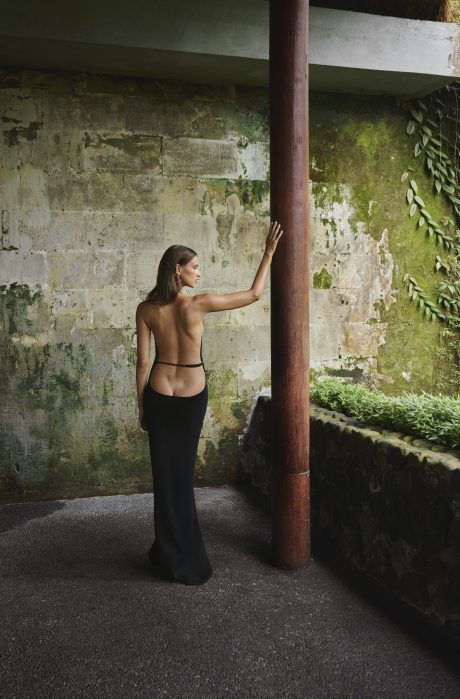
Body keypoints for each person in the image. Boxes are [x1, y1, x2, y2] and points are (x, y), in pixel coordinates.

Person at [135, 220, 283, 585]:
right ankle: (185, 558)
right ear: (178, 269)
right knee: (181, 476)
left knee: (164, 478)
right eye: (195, 267)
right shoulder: (197, 305)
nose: (199, 273)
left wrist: (141, 407)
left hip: (158, 393)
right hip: (189, 397)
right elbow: (253, 294)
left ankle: (166, 553)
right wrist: (267, 253)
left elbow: (141, 363)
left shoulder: (146, 309)